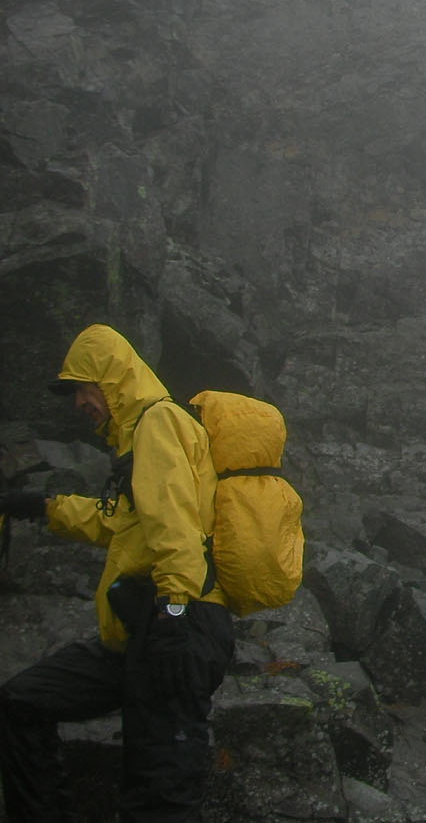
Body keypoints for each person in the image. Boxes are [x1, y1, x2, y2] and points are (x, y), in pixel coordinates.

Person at [0, 324, 233, 822]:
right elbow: (120, 523)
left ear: (112, 379)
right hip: (141, 631)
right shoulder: (133, 442)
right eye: (73, 393)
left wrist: (174, 610)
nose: (78, 403)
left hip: (177, 626)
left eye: (83, 388)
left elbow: (176, 527)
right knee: (21, 701)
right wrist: (41, 506)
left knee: (159, 796)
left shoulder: (158, 423)